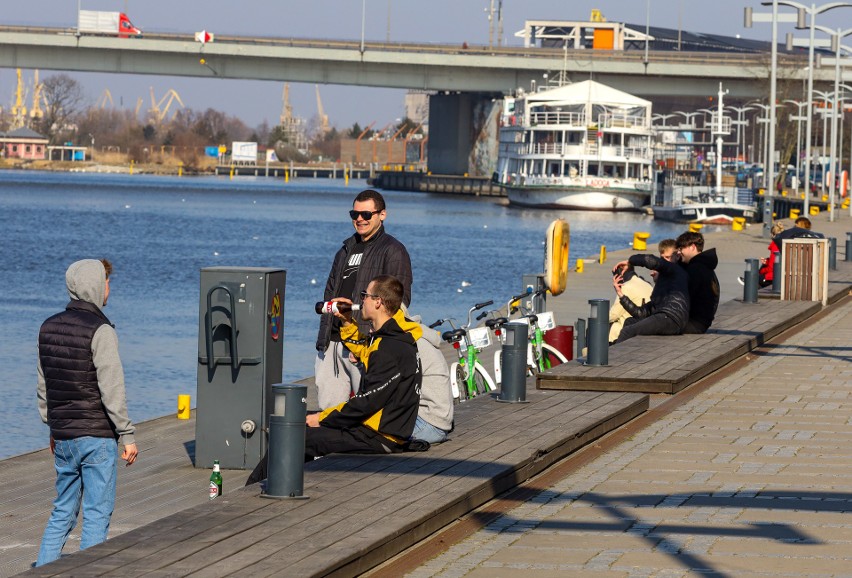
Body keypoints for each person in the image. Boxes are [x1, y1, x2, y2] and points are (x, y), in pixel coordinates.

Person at [247, 275, 421, 484]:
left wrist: (321, 418)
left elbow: (364, 404)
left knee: (296, 437)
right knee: (296, 420)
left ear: (378, 302)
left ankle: (252, 491)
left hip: (380, 436)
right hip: (378, 430)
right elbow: (364, 352)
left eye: (365, 295)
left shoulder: (389, 348)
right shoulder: (390, 338)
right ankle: (288, 483)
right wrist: (346, 320)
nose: (361, 299)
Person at [35, 259, 137, 567]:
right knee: (96, 513)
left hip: (64, 436)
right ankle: (88, 572)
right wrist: (127, 433)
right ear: (95, 286)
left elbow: (45, 386)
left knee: (63, 511)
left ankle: (42, 571)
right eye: (106, 281)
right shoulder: (101, 330)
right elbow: (112, 388)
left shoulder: (48, 327)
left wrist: (52, 427)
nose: (109, 288)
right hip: (97, 436)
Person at [315, 189, 413, 410]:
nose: (359, 219)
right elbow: (329, 291)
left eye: (366, 214)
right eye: (354, 214)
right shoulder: (344, 250)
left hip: (364, 344)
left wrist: (375, 340)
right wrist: (324, 339)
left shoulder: (394, 251)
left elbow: (399, 302)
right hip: (332, 341)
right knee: (329, 410)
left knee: (367, 409)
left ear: (382, 215)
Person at [611, 249, 690, 343]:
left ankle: (613, 357)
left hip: (671, 317)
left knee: (627, 332)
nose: (651, 273)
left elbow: (650, 260)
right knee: (630, 322)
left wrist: (630, 261)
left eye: (667, 257)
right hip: (667, 317)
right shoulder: (660, 293)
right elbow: (640, 313)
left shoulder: (674, 269)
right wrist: (621, 295)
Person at [676, 231, 720, 334]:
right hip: (701, 322)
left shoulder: (695, 269)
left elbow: (684, 296)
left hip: (694, 323)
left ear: (692, 247)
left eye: (681, 248)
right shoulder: (704, 266)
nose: (679, 252)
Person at [608, 264, 653, 344]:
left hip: (628, 327)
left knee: (599, 328)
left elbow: (613, 315)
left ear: (620, 274)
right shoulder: (647, 284)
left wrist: (597, 320)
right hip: (646, 324)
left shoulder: (626, 287)